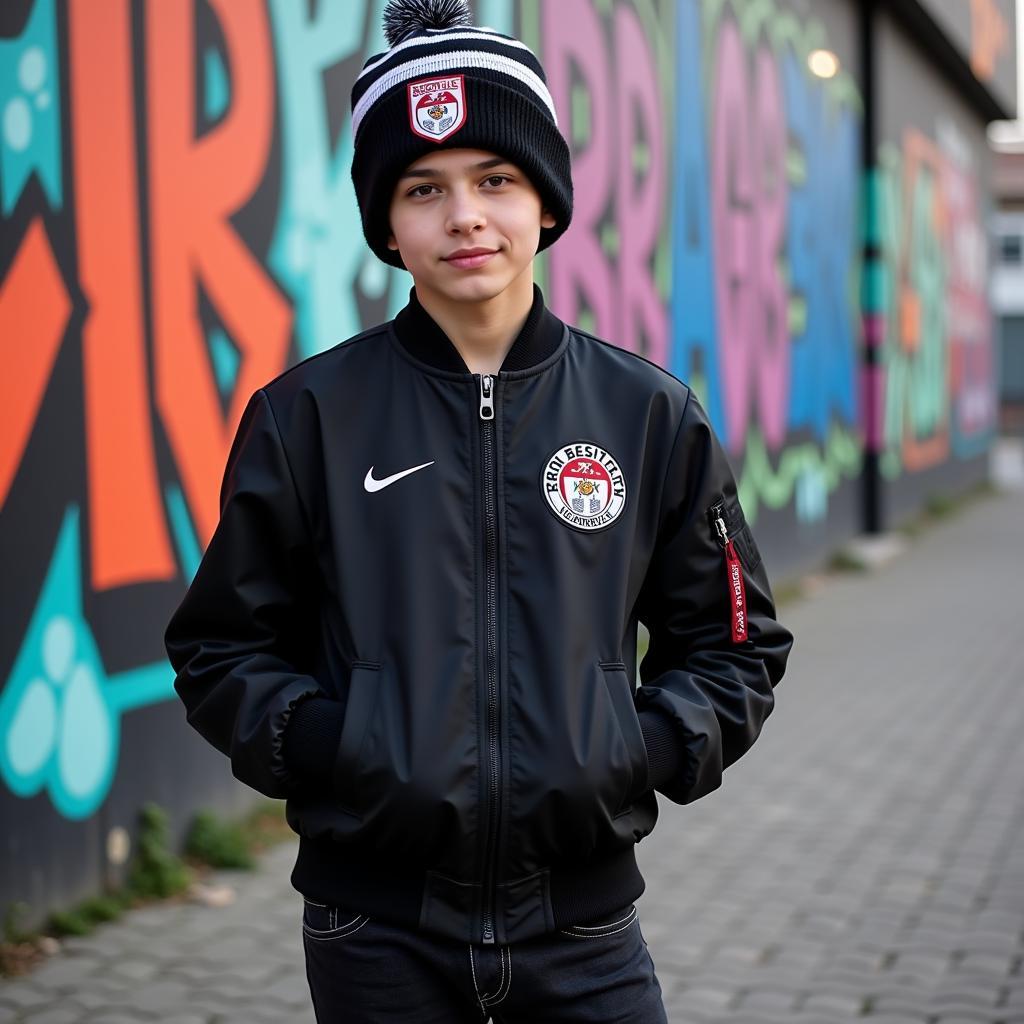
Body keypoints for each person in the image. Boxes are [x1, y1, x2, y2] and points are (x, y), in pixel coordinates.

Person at [163, 1, 794, 1020]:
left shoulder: (645, 414)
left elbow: (734, 641)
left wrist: (636, 748)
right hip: (373, 932)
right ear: (386, 226)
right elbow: (222, 646)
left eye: (494, 179)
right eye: (424, 189)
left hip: (586, 932)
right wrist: (339, 747)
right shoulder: (308, 416)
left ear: (545, 202)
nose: (464, 217)